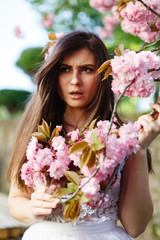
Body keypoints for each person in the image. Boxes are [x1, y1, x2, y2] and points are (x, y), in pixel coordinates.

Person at [7, 31, 160, 240]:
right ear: (53, 74)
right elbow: (16, 199)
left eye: (87, 70)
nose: (75, 80)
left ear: (103, 75)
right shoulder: (35, 132)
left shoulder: (122, 137)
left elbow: (135, 227)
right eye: (65, 69)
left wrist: (140, 150)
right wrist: (31, 209)